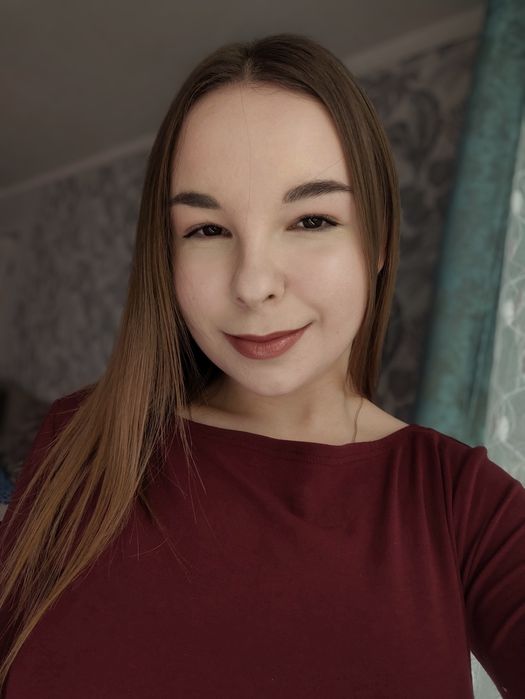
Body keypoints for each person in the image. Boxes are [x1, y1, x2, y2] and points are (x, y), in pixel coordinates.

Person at [0, 32, 523, 699]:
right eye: (207, 230)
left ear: (380, 240)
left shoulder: (460, 504)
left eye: (310, 220)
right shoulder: (81, 438)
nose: (252, 284)